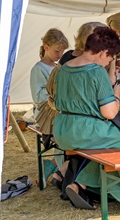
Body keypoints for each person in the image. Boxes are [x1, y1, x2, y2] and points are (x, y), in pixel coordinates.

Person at [53, 27, 120, 214]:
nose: (109, 61)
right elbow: (109, 112)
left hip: (62, 129)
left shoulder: (64, 67)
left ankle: (83, 183)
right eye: (110, 58)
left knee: (110, 147)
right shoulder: (95, 71)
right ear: (102, 52)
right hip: (85, 131)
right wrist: (116, 94)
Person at [36, 22, 110, 191]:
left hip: (63, 120)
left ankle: (63, 173)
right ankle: (83, 183)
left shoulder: (68, 56)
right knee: (108, 131)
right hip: (67, 121)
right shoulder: (85, 62)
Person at [29, 28, 69, 188]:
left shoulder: (58, 67)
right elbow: (38, 98)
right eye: (57, 51)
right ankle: (63, 172)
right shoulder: (38, 69)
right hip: (45, 113)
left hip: (59, 109)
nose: (60, 55)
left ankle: (58, 168)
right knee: (64, 131)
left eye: (62, 51)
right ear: (46, 47)